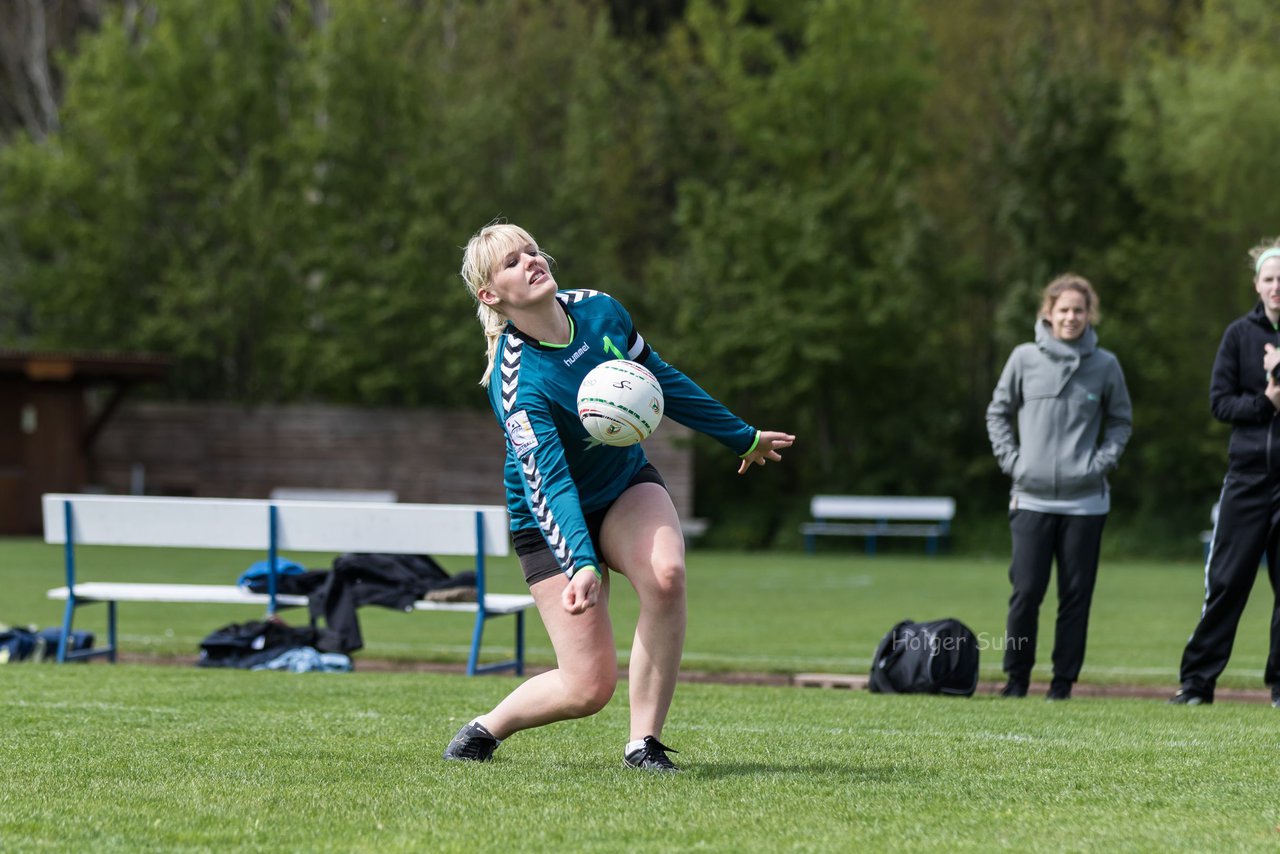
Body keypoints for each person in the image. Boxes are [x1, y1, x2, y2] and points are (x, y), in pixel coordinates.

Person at [443, 222, 795, 770]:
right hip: (551, 517)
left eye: (532, 251)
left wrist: (740, 435)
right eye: (511, 262)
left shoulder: (601, 310)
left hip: (623, 485)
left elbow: (660, 378)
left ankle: (643, 745)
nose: (531, 262)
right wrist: (582, 562)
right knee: (588, 687)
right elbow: (549, 482)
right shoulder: (514, 383)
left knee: (667, 575)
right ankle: (484, 730)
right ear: (491, 296)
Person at [986, 273, 1133, 701]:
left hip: (1086, 503)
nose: (1070, 317)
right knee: (1026, 593)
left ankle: (1062, 684)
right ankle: (1015, 680)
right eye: (1063, 310)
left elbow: (1121, 421)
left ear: (1090, 316)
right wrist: (1015, 463)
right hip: (1029, 498)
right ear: (1047, 314)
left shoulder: (1106, 365)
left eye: (1078, 310)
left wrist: (1100, 464)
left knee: (1075, 598)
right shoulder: (1023, 359)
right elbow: (996, 414)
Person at [1171, 238, 1280, 708]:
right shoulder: (1239, 335)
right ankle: (1197, 684)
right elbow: (1220, 403)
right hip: (1248, 479)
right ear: (1257, 284)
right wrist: (1267, 399)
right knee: (1227, 581)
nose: (1278, 287)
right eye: (1271, 279)